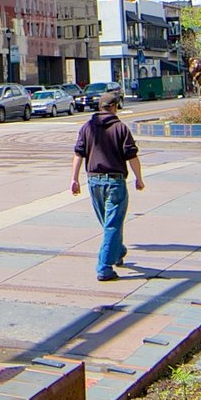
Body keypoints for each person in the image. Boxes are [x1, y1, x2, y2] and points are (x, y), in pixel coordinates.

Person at [70, 91, 145, 281]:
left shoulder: (87, 127)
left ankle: (118, 250)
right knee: (112, 224)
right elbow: (132, 156)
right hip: (114, 182)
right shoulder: (120, 128)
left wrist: (74, 179)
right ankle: (104, 267)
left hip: (94, 181)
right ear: (114, 108)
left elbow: (79, 154)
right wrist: (139, 178)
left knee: (109, 222)